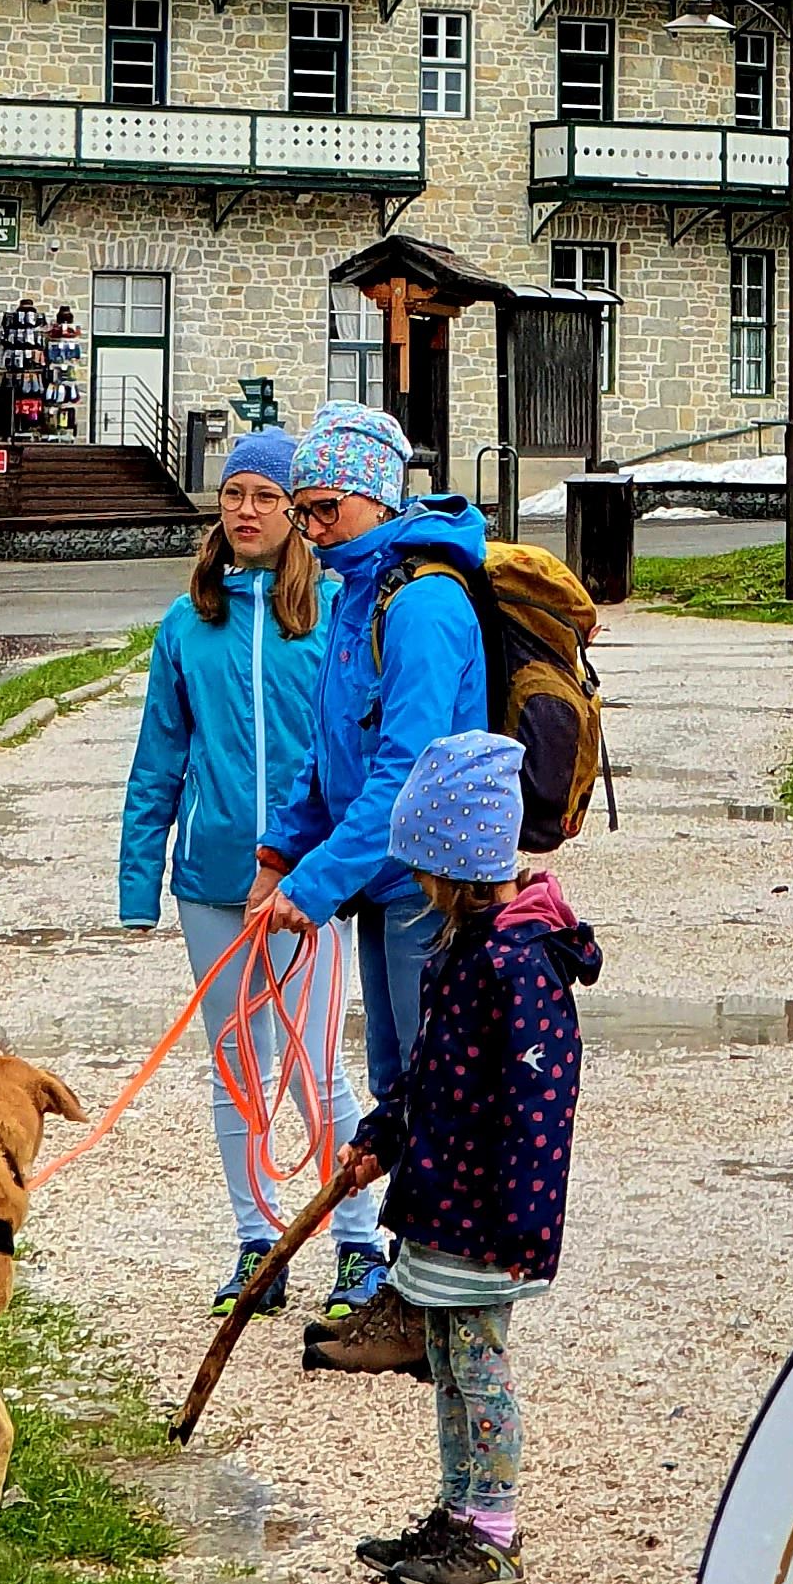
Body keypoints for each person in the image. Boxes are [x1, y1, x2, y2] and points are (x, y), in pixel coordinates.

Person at [118, 427, 392, 1323]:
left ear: (297, 512)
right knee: (237, 1064)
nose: (246, 511)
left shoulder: (337, 612)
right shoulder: (186, 623)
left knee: (315, 1064)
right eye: (234, 494)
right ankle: (257, 1243)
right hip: (212, 880)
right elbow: (158, 758)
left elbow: (354, 749)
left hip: (310, 883)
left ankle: (357, 1240)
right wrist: (138, 881)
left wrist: (336, 864)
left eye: (267, 497)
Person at [245, 398, 494, 1377]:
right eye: (302, 509)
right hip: (384, 884)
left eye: (324, 509)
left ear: (377, 498)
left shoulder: (423, 604)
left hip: (435, 886)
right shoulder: (360, 592)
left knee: (436, 1090)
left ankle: (440, 1306)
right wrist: (280, 849)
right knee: (399, 1087)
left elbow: (402, 773)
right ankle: (413, 1290)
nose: (309, 528)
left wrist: (314, 885)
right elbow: (330, 752)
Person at [334, 727, 599, 1584]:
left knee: (480, 1371)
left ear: (455, 864)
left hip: (486, 1223)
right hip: (442, 1210)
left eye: (422, 867)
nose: (415, 883)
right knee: (446, 1364)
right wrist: (381, 1138)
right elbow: (429, 1079)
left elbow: (538, 1109)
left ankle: (494, 1537)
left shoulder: (519, 968)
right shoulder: (465, 951)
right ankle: (458, 1514)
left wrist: (523, 1226)